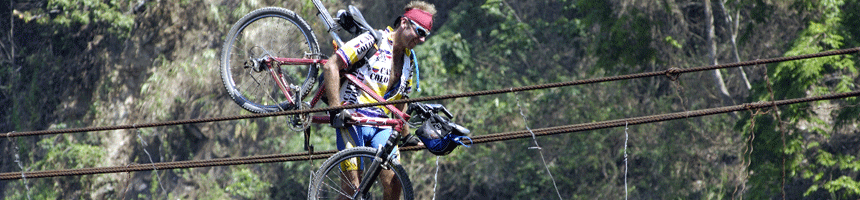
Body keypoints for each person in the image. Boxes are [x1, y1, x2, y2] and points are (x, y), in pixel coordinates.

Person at [320, 1, 436, 199]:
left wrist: (406, 136)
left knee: (395, 183)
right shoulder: (373, 39)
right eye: (419, 31)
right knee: (351, 189)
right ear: (404, 23)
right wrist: (335, 108)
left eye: (425, 35)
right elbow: (332, 66)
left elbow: (402, 100)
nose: (421, 39)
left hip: (382, 125)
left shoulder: (409, 59)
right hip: (352, 120)